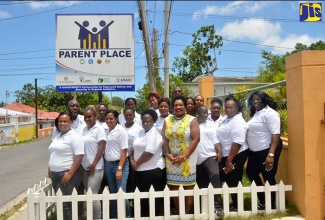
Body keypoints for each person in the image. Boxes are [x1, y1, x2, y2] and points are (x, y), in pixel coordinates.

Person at [162, 95, 200, 214]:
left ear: (185, 106)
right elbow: (164, 139)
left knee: (188, 186)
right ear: (173, 107)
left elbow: (195, 139)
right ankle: (179, 212)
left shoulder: (191, 120)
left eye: (180, 105)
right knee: (174, 186)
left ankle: (187, 214)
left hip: (187, 160)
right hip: (172, 159)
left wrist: (184, 156)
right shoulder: (167, 120)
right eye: (176, 105)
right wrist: (167, 153)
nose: (178, 107)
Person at [246, 91, 282, 209]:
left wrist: (271, 154)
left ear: (264, 99)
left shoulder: (271, 114)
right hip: (255, 152)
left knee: (268, 176)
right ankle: (263, 200)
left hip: (267, 150)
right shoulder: (257, 113)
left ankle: (271, 204)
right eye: (254, 99)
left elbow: (275, 134)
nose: (255, 101)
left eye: (258, 99)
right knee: (251, 173)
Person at [130, 109, 166, 217]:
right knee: (142, 198)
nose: (145, 123)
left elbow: (149, 153)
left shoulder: (154, 133)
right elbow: (133, 148)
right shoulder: (141, 132)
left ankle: (156, 217)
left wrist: (136, 164)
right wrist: (132, 161)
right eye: (143, 121)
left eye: (148, 121)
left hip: (153, 171)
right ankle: (144, 216)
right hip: (139, 171)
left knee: (155, 198)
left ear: (153, 121)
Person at [48, 112, 84, 220]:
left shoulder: (74, 136)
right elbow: (53, 153)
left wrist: (70, 173)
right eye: (60, 121)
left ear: (71, 122)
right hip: (55, 174)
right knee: (60, 201)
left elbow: (79, 155)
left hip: (67, 173)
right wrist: (50, 168)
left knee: (66, 204)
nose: (62, 123)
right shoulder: (58, 135)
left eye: (65, 121)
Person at [217, 95, 249, 211]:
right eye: (226, 107)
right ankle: (230, 203)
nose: (228, 110)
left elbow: (237, 142)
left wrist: (229, 160)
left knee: (234, 179)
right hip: (227, 154)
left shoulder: (238, 122)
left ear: (237, 109)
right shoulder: (227, 118)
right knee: (226, 178)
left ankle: (237, 205)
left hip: (236, 154)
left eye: (231, 108)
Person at [195, 104, 224, 219]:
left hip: (209, 156)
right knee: (201, 184)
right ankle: (202, 207)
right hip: (196, 159)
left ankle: (218, 207)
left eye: (206, 113)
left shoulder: (210, 125)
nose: (205, 115)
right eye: (203, 113)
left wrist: (219, 152)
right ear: (197, 113)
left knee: (215, 175)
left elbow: (215, 141)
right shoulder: (191, 124)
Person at [104, 109, 131, 218]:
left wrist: (120, 169)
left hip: (119, 165)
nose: (108, 120)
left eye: (111, 118)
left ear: (116, 119)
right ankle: (115, 216)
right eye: (107, 119)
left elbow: (124, 151)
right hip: (108, 164)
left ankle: (127, 216)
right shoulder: (106, 131)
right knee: (113, 192)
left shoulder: (121, 131)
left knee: (121, 193)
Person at [81, 106, 106, 219]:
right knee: (88, 195)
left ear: (95, 117)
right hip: (83, 167)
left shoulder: (99, 129)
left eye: (90, 117)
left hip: (95, 168)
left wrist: (94, 164)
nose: (87, 119)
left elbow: (101, 147)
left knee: (93, 195)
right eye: (85, 117)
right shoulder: (83, 129)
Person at [121, 106, 143, 211]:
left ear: (134, 115)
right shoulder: (120, 127)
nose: (128, 117)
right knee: (125, 185)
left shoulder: (138, 129)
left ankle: (135, 208)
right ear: (123, 116)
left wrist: (133, 159)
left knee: (134, 183)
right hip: (122, 159)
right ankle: (126, 208)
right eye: (126, 115)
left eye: (130, 115)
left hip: (133, 159)